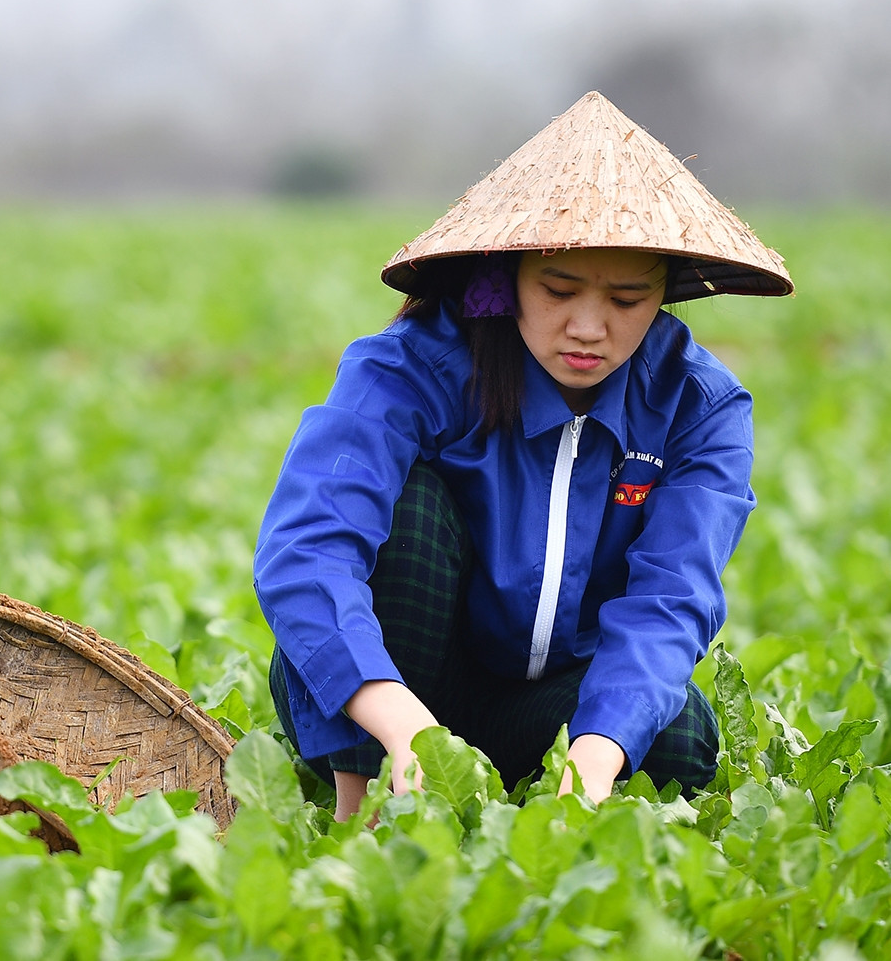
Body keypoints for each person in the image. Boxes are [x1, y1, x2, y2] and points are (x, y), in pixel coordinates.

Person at [254, 91, 794, 818]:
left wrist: (592, 762)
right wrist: (404, 729)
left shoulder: (699, 406)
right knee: (408, 514)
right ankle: (362, 805)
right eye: (558, 288)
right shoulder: (411, 365)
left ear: (665, 293)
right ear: (506, 275)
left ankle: (523, 793)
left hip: (539, 703)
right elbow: (307, 551)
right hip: (396, 691)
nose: (588, 327)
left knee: (678, 735)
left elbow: (670, 601)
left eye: (627, 299)